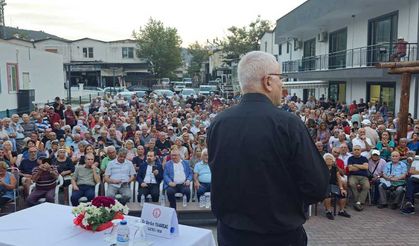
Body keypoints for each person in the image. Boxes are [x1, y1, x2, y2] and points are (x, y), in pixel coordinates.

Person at [207, 51, 329, 246]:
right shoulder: (288, 124)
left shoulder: (218, 123)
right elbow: (318, 186)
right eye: (281, 78)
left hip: (231, 235)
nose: (283, 85)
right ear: (268, 81)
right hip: (279, 235)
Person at [322, 153, 350, 220]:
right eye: (327, 159)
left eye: (330, 159)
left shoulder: (335, 169)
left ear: (333, 161)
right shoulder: (321, 168)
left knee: (343, 194)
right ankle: (328, 211)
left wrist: (341, 188)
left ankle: (341, 211)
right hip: (324, 186)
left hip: (333, 186)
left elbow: (339, 179)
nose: (329, 160)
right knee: (327, 195)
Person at [347, 145, 370, 211]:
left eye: (358, 149)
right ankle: (359, 202)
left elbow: (366, 167)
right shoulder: (350, 158)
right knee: (351, 184)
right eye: (355, 150)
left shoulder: (364, 158)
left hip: (364, 177)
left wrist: (355, 165)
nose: (356, 151)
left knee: (366, 186)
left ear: (360, 151)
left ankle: (358, 202)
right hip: (353, 176)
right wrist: (361, 166)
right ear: (353, 151)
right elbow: (350, 169)